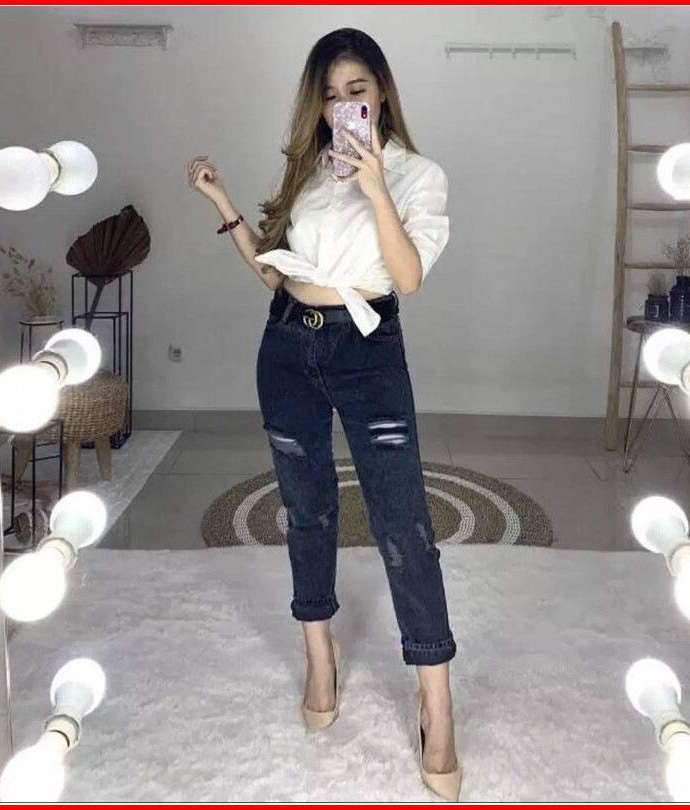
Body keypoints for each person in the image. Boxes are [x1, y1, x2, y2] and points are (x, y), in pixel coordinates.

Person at [188, 27, 460, 801]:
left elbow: (407, 277)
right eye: (331, 95)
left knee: (403, 524)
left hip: (366, 351)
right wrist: (223, 203)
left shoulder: (417, 174)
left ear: (381, 93)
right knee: (305, 512)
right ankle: (320, 653)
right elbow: (278, 277)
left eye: (356, 91)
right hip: (287, 348)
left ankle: (436, 700)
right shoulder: (308, 172)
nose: (344, 106)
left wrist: (375, 187)